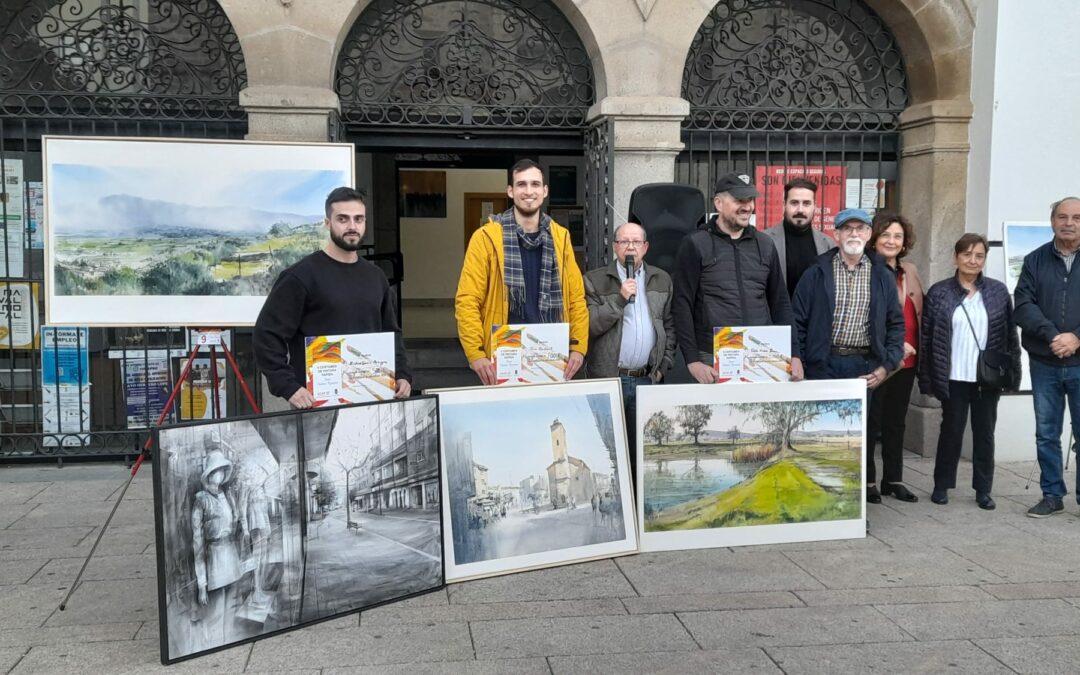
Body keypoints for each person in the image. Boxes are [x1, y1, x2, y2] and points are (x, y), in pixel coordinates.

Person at [254, 187, 411, 407]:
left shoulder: (376, 277)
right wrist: (288, 386)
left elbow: (391, 333)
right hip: (316, 404)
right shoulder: (300, 277)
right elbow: (267, 335)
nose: (352, 227)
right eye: (343, 219)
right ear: (328, 223)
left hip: (370, 399)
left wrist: (402, 373)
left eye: (358, 219)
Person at [792, 208, 905, 503]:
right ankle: (819, 500)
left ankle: (850, 506)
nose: (854, 234)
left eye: (861, 229)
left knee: (856, 439)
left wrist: (887, 366)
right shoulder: (816, 272)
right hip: (822, 365)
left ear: (869, 235)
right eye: (848, 228)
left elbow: (896, 324)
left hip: (863, 367)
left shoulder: (882, 275)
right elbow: (798, 321)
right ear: (836, 234)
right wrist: (799, 359)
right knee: (820, 435)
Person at [455, 159, 588, 385]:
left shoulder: (561, 237)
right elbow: (468, 300)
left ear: (545, 191)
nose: (529, 191)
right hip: (506, 346)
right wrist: (476, 353)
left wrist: (578, 347)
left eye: (535, 184)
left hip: (550, 348)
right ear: (510, 191)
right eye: (521, 184)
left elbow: (576, 299)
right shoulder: (485, 238)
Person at [920, 233, 1020, 509]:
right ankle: (942, 485)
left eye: (979, 256)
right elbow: (927, 339)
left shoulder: (998, 292)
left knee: (985, 434)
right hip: (953, 376)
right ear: (956, 257)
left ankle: (983, 490)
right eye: (967, 254)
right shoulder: (940, 292)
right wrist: (927, 378)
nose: (973, 260)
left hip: (987, 377)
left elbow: (1010, 336)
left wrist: (1013, 374)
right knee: (951, 431)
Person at [671, 172, 795, 384]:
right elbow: (681, 304)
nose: (747, 206)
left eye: (750, 200)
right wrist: (692, 360)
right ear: (718, 203)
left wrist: (795, 353)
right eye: (739, 200)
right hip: (712, 357)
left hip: (760, 355)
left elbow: (780, 303)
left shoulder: (765, 245)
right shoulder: (695, 244)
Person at [584, 221, 675, 466]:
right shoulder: (594, 280)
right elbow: (589, 326)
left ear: (645, 247)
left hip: (647, 379)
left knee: (644, 452)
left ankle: (640, 503)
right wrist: (619, 299)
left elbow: (669, 326)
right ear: (615, 247)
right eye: (624, 242)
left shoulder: (661, 279)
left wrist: (662, 367)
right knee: (612, 454)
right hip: (610, 379)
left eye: (636, 242)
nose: (630, 248)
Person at [1014, 196, 1080, 518]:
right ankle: (1052, 495)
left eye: (1077, 217)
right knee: (1046, 434)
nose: (1069, 223)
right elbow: (1023, 306)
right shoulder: (1034, 260)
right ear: (1052, 221)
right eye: (1063, 216)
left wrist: (1076, 338)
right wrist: (1054, 335)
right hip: (1045, 363)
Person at [864, 212, 924, 503]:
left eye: (897, 236)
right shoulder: (867, 269)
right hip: (880, 360)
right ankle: (869, 482)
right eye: (885, 235)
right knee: (871, 422)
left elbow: (917, 311)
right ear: (874, 239)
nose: (891, 241)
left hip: (909, 362)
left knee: (896, 423)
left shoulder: (909, 270)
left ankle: (894, 479)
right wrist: (896, 345)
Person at [192, 450, 242, 644]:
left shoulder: (227, 496)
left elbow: (234, 524)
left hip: (231, 556)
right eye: (216, 470)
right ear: (209, 474)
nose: (219, 474)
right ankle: (214, 643)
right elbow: (197, 542)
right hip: (214, 559)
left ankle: (228, 640)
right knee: (216, 610)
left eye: (222, 470)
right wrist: (201, 584)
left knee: (231, 606)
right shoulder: (201, 500)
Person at [762, 178, 837, 297]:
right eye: (794, 203)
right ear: (784, 204)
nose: (800, 210)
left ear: (814, 206)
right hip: (776, 314)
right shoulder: (764, 240)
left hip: (813, 315)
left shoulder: (828, 244)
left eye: (806, 203)